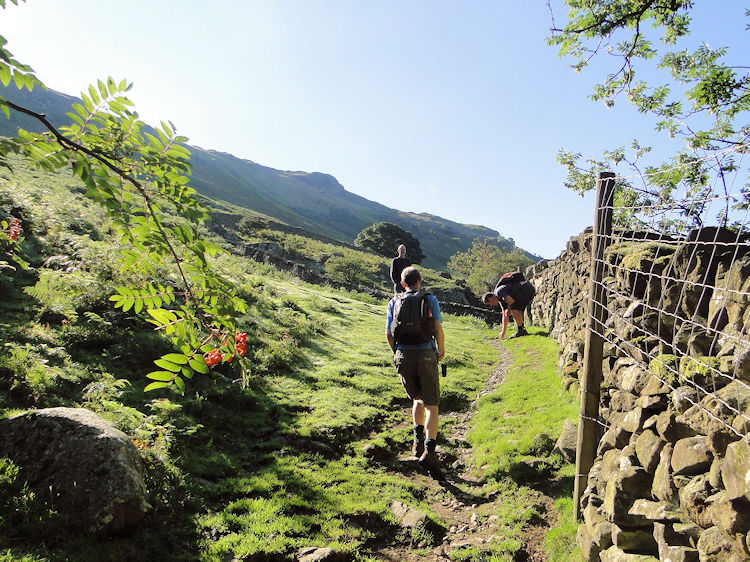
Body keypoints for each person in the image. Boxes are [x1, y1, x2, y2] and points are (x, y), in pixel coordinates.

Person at [385, 266, 446, 479]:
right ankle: (430, 451)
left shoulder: (394, 302)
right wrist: (441, 350)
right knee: (432, 405)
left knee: (417, 399)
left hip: (403, 355)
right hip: (426, 353)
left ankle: (417, 443)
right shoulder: (429, 300)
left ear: (402, 284)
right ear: (420, 280)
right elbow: (437, 328)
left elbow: (388, 334)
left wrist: (398, 352)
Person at [481, 271, 536, 339]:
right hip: (528, 289)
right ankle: (521, 329)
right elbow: (505, 315)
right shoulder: (500, 300)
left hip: (526, 289)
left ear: (491, 298)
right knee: (515, 309)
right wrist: (503, 332)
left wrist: (509, 309)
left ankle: (521, 330)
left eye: (489, 303)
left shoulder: (498, 292)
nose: (491, 305)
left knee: (514, 308)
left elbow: (511, 301)